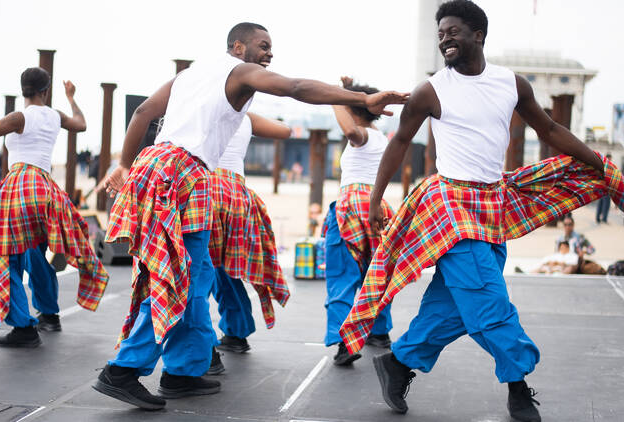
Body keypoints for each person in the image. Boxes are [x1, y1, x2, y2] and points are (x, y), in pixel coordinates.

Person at [338, 2, 624, 421]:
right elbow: (401, 140)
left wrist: (599, 163)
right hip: (449, 205)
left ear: (479, 35)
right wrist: (373, 200)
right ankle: (517, 386)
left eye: (452, 31)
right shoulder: (431, 90)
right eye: (440, 33)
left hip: (493, 204)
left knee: (454, 304)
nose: (444, 39)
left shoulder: (511, 84)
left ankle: (399, 361)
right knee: (488, 301)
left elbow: (549, 130)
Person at [93, 22, 407, 411]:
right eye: (263, 45)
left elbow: (142, 111)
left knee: (199, 273)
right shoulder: (239, 72)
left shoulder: (189, 75)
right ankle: (123, 370)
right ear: (237, 46)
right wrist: (361, 96)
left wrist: (124, 164)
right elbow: (294, 87)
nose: (269, 53)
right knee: (181, 276)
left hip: (164, 168)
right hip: (183, 173)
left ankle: (182, 370)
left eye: (271, 47)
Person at [0, 68, 108, 348]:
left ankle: (22, 327)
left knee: (3, 254)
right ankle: (49, 313)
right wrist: (71, 98)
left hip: (20, 187)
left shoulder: (20, 117)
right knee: (35, 252)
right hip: (46, 190)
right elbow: (81, 124)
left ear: (23, 90)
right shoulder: (54, 115)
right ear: (45, 90)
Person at [323, 76, 396, 366]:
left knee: (342, 275)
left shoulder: (363, 135)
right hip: (376, 205)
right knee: (374, 272)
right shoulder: (380, 136)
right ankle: (379, 332)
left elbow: (351, 132)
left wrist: (335, 96)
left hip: (352, 204)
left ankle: (345, 340)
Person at [209, 112, 291, 365]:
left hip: (207, 186)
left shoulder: (206, 105)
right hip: (237, 192)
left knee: (197, 271)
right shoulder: (246, 115)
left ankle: (201, 348)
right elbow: (285, 130)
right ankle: (237, 331)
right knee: (227, 268)